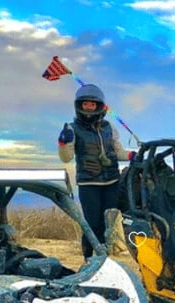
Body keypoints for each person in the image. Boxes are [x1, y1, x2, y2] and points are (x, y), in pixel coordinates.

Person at [58, 84, 127, 258]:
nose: (88, 107)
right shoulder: (73, 129)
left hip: (112, 181)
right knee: (92, 224)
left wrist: (134, 155)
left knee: (110, 223)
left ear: (99, 106)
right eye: (85, 104)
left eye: (92, 104)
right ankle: (89, 258)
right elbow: (66, 158)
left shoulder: (109, 128)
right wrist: (63, 143)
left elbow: (118, 152)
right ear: (79, 106)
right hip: (89, 183)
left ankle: (108, 258)